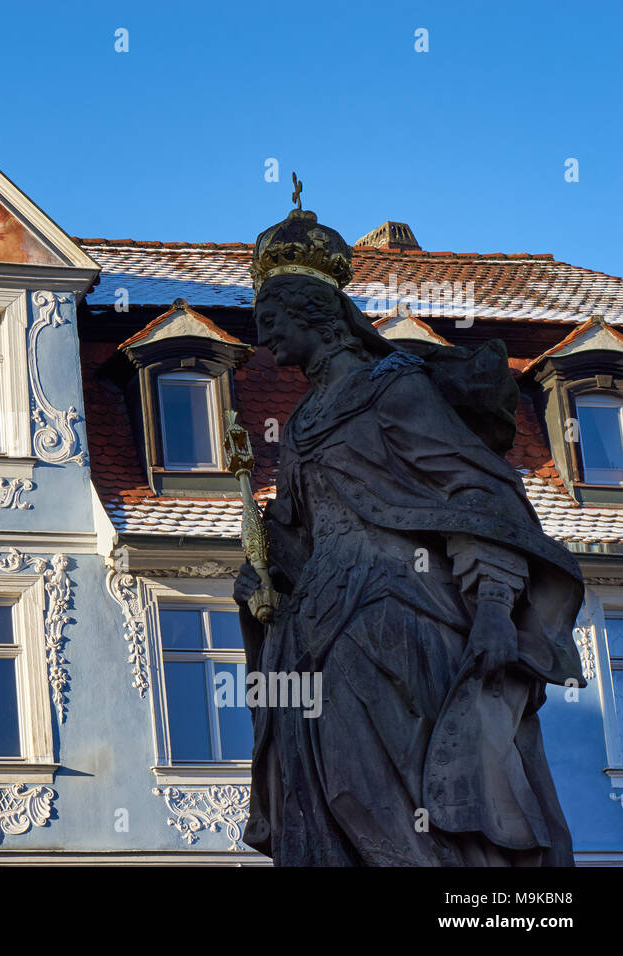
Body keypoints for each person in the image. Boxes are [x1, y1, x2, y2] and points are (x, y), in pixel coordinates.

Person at [233, 202, 584, 866]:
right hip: (312, 630)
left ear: (312, 312)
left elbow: (480, 496)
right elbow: (303, 543)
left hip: (393, 611)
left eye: (270, 322)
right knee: (318, 801)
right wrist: (266, 567)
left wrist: (490, 612)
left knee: (374, 796)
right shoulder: (301, 424)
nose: (265, 341)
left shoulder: (392, 389)